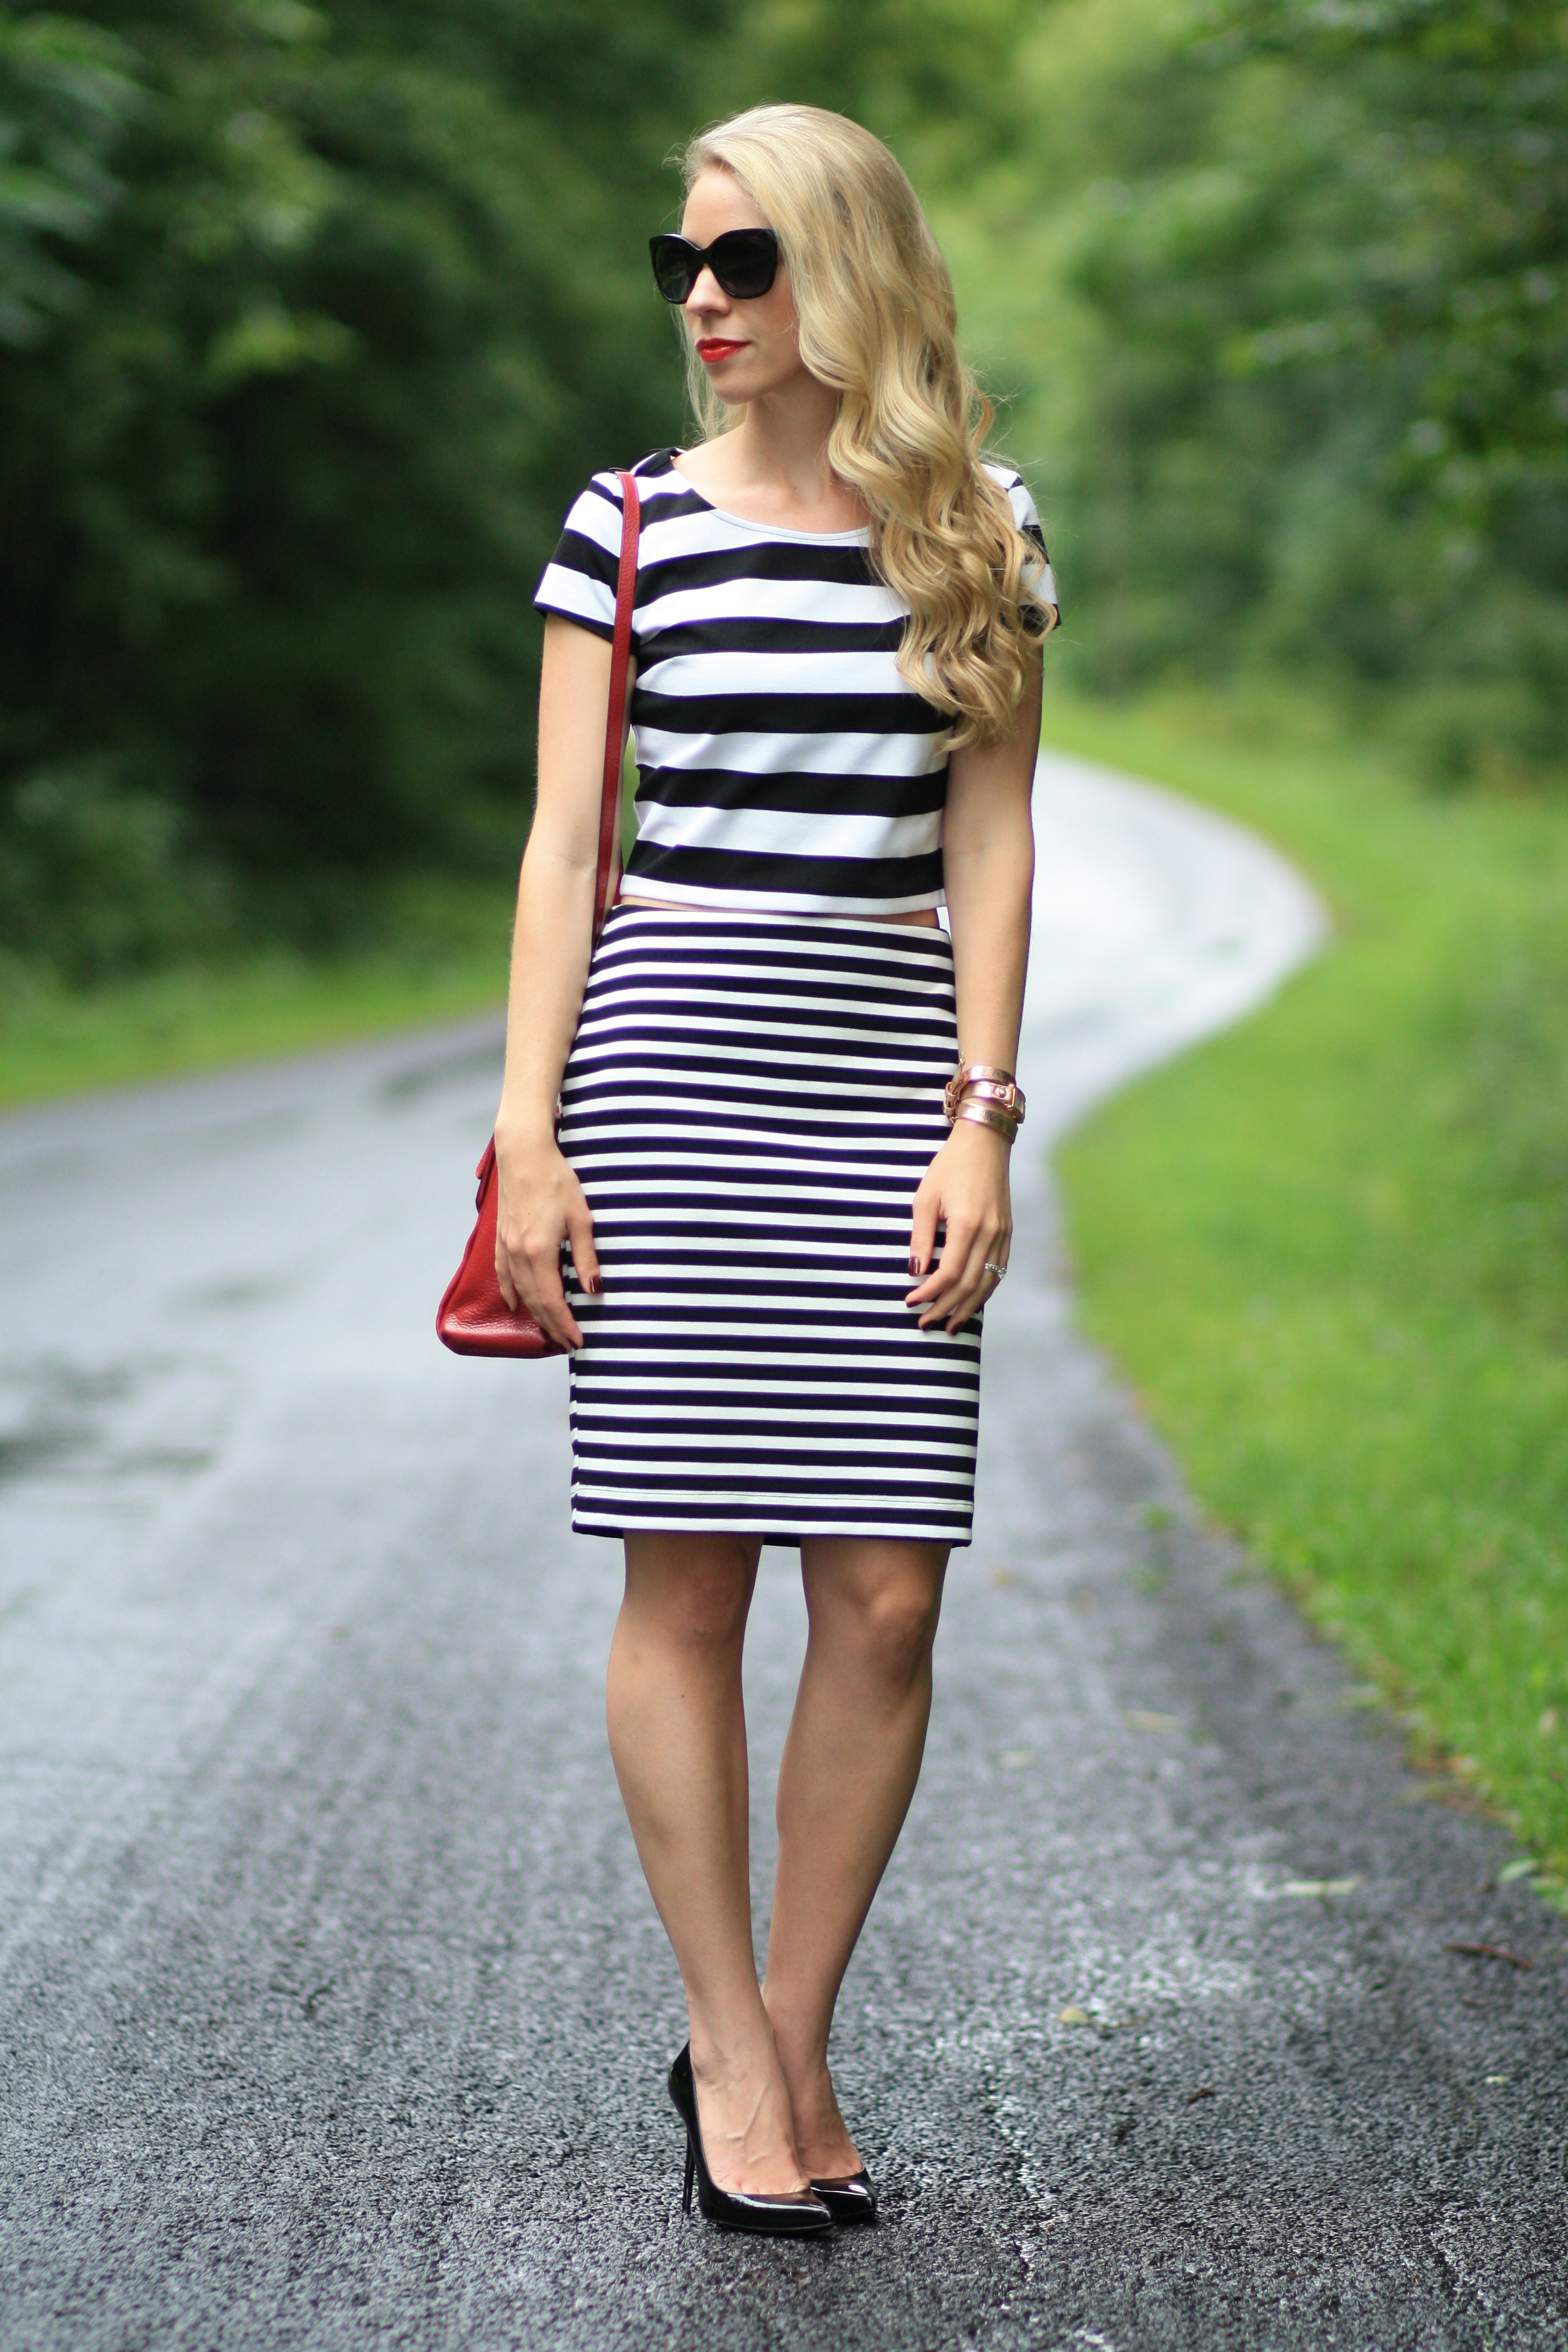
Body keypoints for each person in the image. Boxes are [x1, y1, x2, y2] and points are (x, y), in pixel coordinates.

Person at [492, 102, 1057, 2236]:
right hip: (668, 1068)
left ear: (849, 274)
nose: (704, 306)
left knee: (890, 1591)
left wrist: (985, 1111)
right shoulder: (624, 523)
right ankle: (733, 2049)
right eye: (684, 269)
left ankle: (791, 2026)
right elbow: (566, 848)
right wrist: (530, 1124)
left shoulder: (978, 528)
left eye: (744, 265)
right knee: (688, 1575)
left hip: (883, 1064)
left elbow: (995, 837)